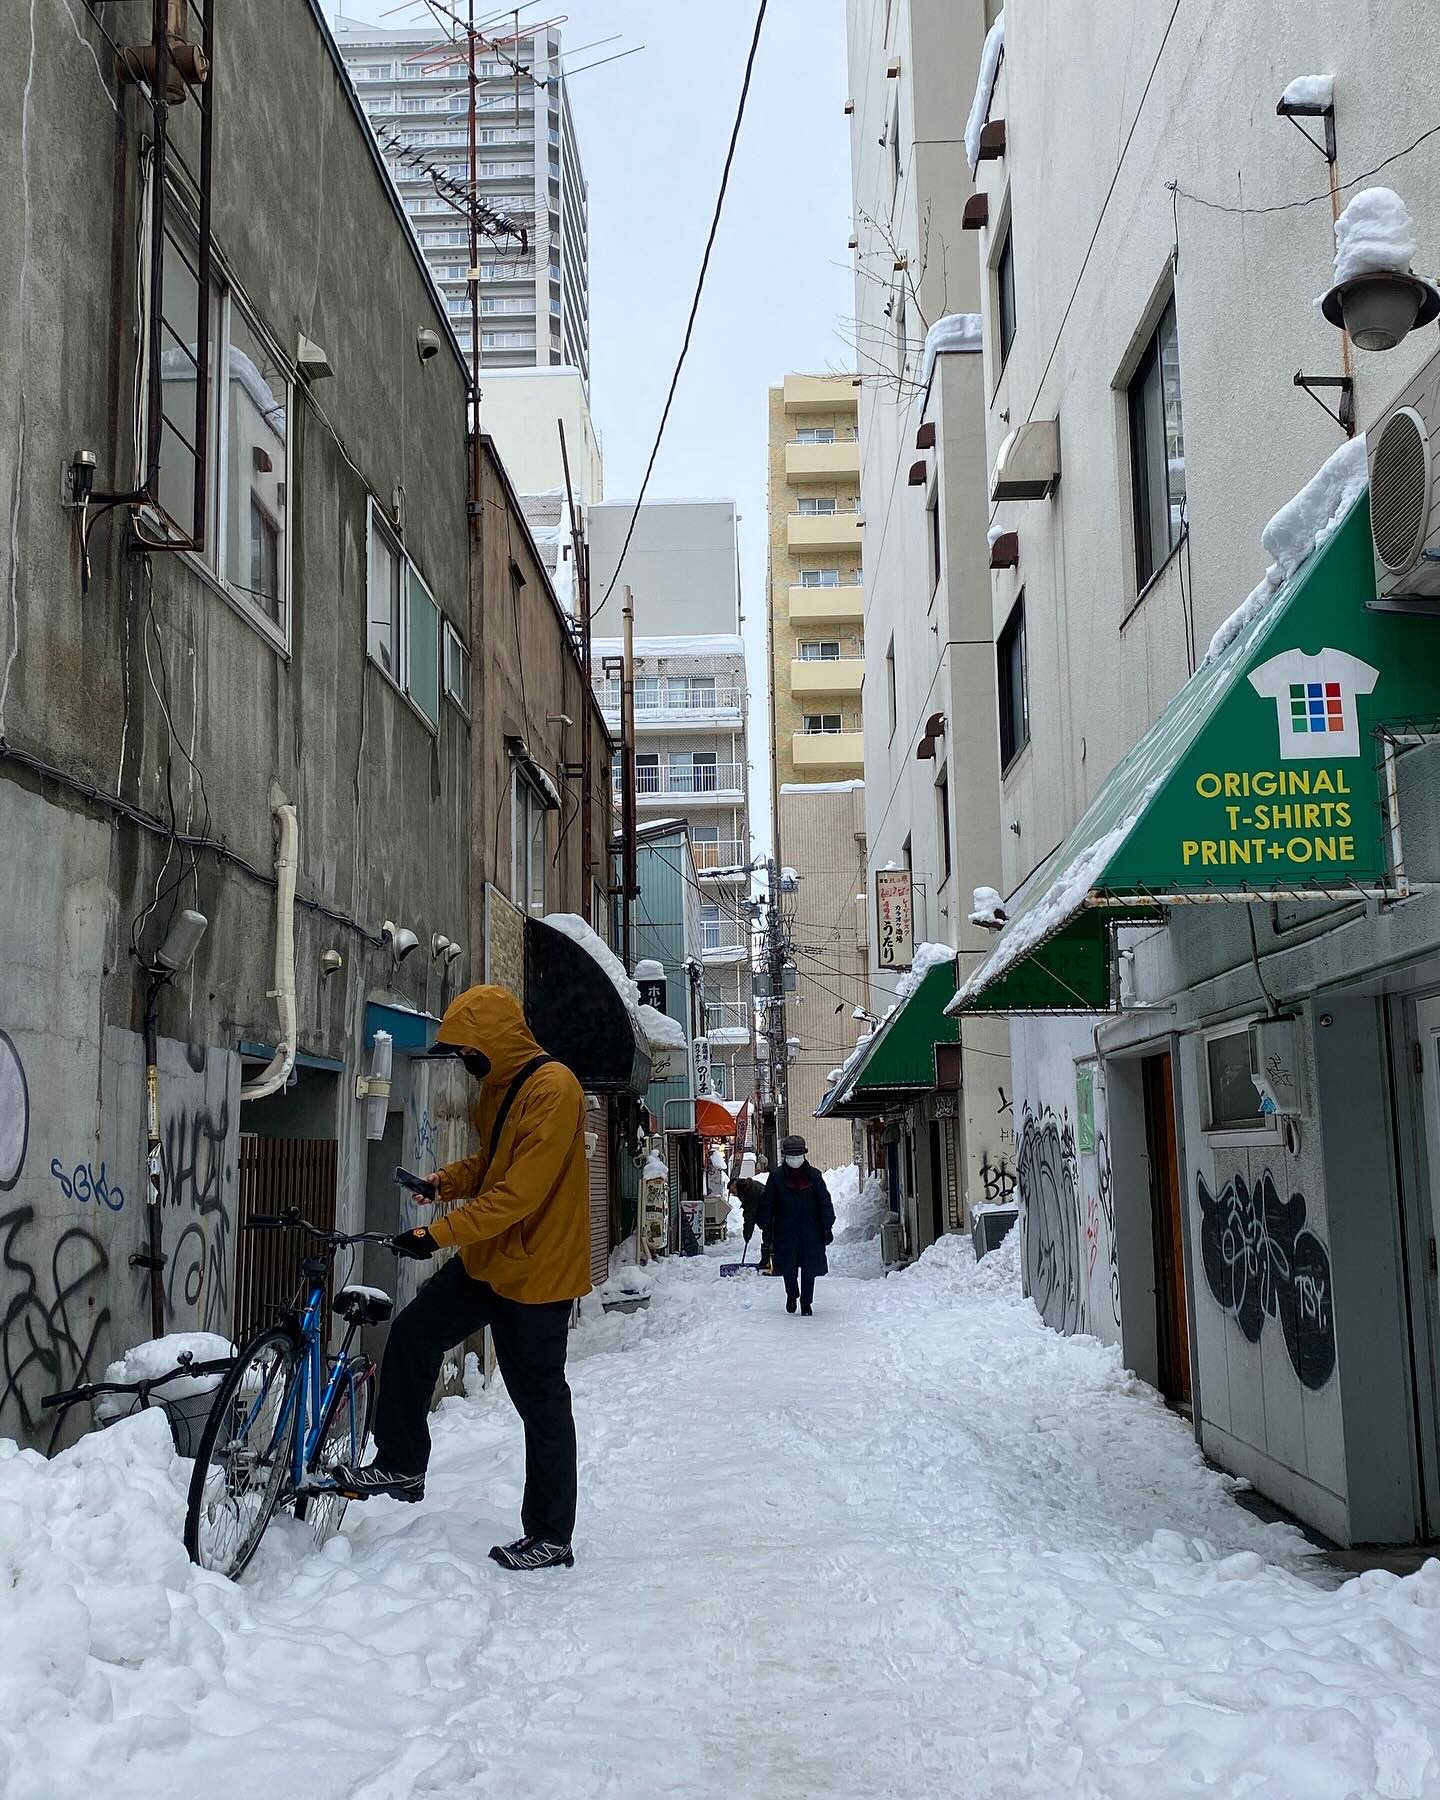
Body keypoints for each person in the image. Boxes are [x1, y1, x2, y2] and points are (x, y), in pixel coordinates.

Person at [331, 984, 589, 1573]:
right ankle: (401, 1463)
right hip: (490, 1261)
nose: (467, 1061)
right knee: (414, 1333)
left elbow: (519, 1193)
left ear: (497, 1039)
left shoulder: (555, 1089)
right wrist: (441, 1183)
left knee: (540, 1404)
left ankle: (551, 1534)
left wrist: (435, 1234)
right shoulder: (499, 1087)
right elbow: (493, 1164)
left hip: (538, 1275)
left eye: (472, 1050)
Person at [758, 1136, 834, 1316]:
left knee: (809, 1268)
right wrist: (766, 1224)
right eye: (792, 1156)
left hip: (811, 1229)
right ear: (785, 1156)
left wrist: (827, 1224)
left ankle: (806, 1303)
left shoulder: (814, 1176)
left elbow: (824, 1201)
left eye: (798, 1155)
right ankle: (791, 1295)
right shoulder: (776, 1177)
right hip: (785, 1229)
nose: (795, 1159)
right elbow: (768, 1202)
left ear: (804, 1155)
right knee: (788, 1266)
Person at [728, 1162, 768, 1257]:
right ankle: (768, 1261)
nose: (734, 1194)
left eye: (733, 1192)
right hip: (770, 1217)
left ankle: (770, 1262)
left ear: (736, 1186)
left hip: (771, 1217)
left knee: (770, 1239)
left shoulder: (750, 1192)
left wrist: (747, 1235)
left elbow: (750, 1216)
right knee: (769, 1238)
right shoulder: (749, 1187)